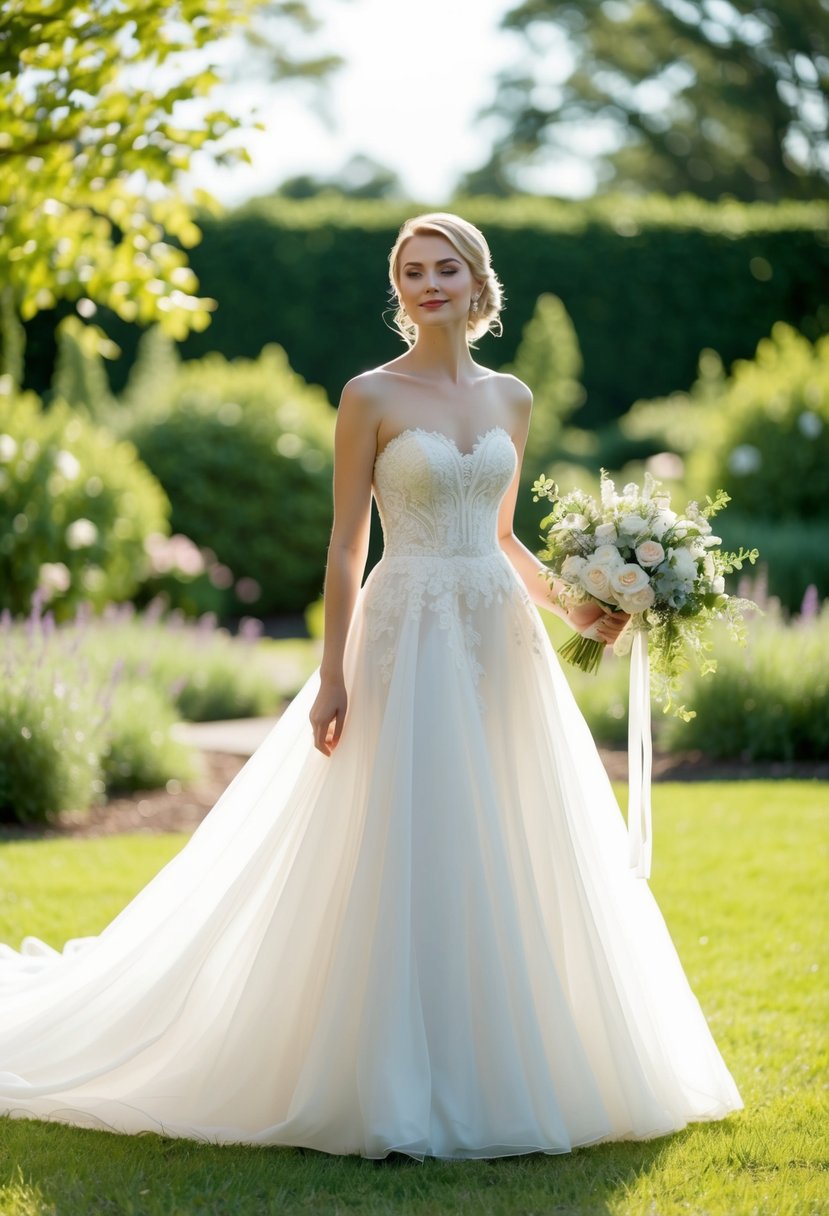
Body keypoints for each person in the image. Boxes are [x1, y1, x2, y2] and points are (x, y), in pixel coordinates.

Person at [0, 213, 742, 1160]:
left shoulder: (512, 399)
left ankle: (507, 1063)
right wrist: (330, 676)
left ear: (480, 284)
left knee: (508, 832)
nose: (427, 284)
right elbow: (348, 545)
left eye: (444, 269)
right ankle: (385, 1075)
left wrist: (579, 610)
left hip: (497, 638)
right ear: (399, 290)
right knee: (407, 834)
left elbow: (505, 537)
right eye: (410, 271)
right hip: (409, 633)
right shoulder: (369, 395)